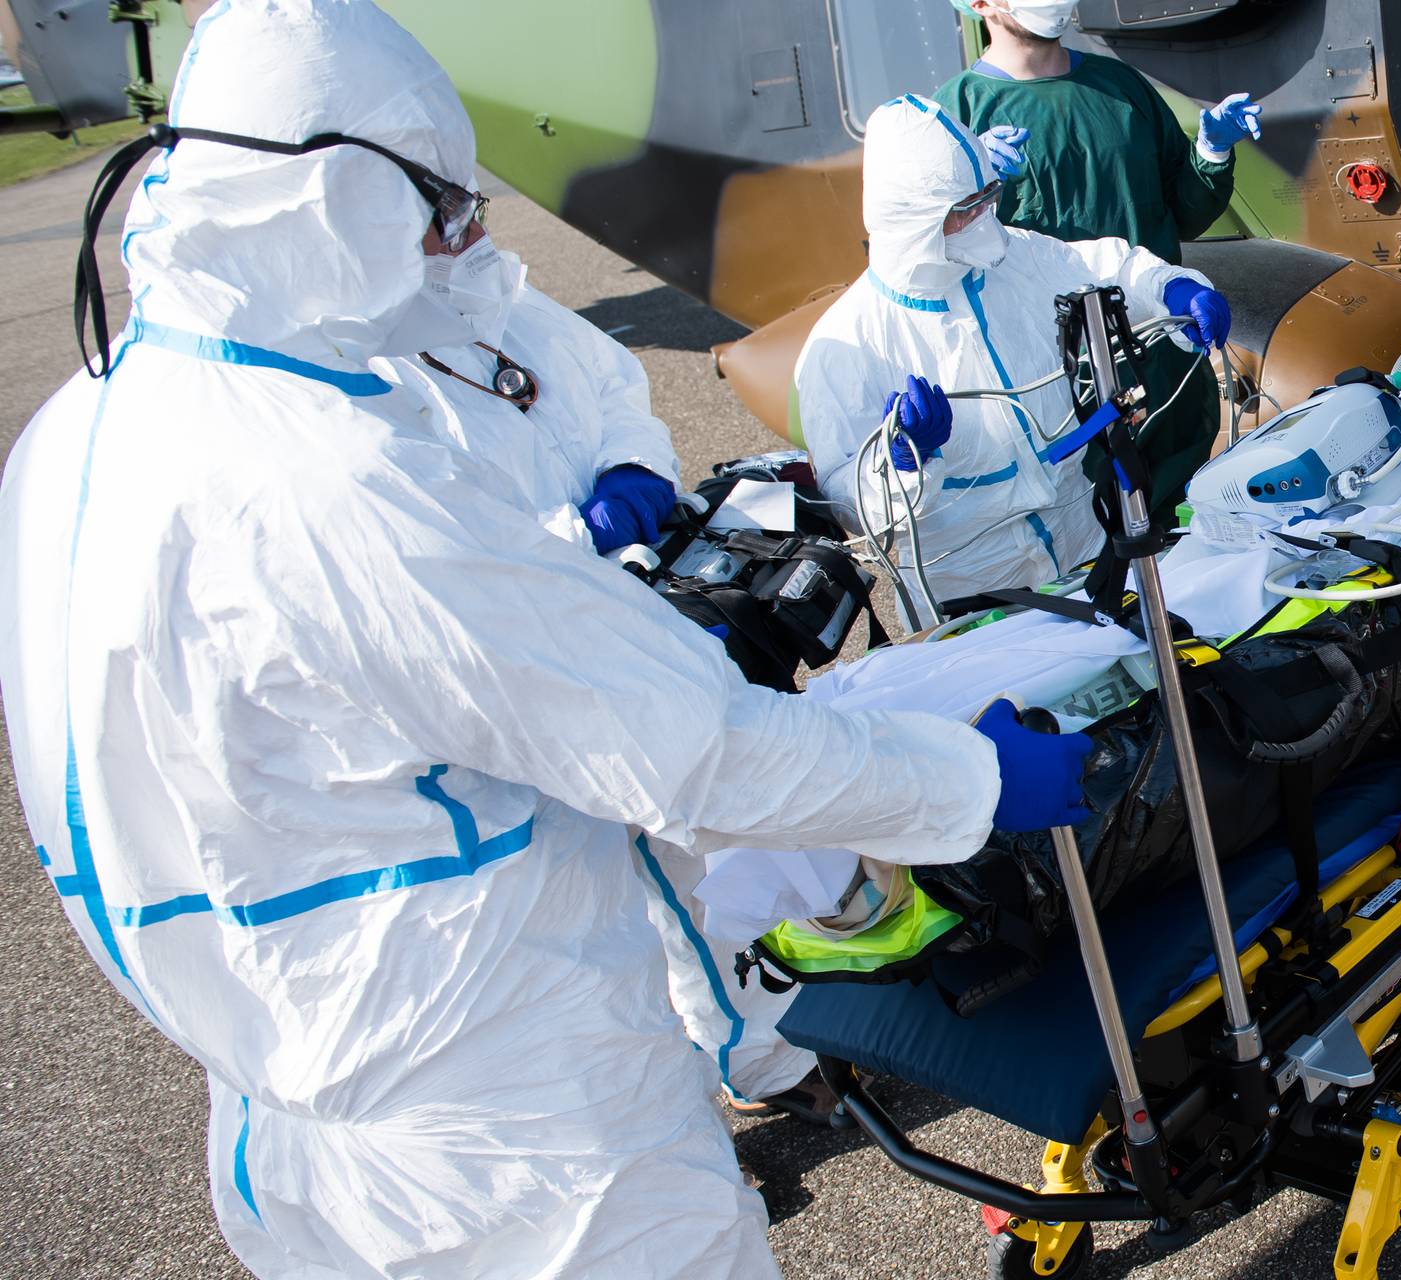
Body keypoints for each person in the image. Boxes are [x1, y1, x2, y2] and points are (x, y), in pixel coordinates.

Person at [0, 3, 1094, 1276]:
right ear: (335, 199)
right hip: (517, 1142)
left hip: (300, 1101)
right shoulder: (338, 493)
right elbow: (697, 753)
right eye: (444, 212)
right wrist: (966, 781)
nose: (468, 243)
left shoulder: (87, 424)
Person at [373, 284, 849, 1125]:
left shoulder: (497, 306)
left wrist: (634, 466)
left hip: (628, 612)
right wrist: (568, 536)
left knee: (710, 839)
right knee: (640, 883)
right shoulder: (363, 373)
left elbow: (612, 385)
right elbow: (435, 558)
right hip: (529, 664)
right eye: (441, 215)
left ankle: (774, 1038)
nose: (462, 235)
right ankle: (744, 1069)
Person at [792, 95, 1231, 608]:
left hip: (1084, 544)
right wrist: (902, 461)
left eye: (988, 195)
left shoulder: (1014, 258)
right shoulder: (846, 344)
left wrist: (1172, 288)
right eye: (965, 209)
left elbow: (1107, 268)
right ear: (910, 219)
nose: (985, 217)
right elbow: (851, 511)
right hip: (970, 585)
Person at [945, 0, 1263, 518]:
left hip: (1164, 369)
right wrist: (967, 184)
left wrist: (1211, 151)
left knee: (1187, 546)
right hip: (1055, 389)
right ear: (978, 4)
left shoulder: (1120, 87)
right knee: (1088, 560)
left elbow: (1183, 212)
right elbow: (938, 261)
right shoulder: (957, 112)